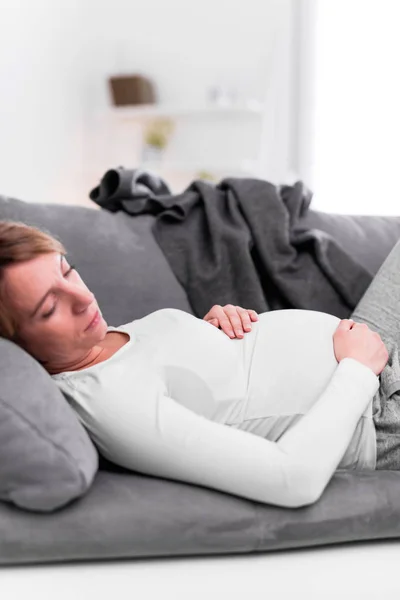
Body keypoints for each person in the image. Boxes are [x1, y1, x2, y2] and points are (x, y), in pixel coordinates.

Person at [0, 219, 396, 510]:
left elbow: (211, 384)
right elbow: (293, 479)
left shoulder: (94, 339)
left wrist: (210, 333)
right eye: (50, 307)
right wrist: (358, 370)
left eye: (67, 270)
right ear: (15, 342)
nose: (82, 298)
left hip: (365, 347)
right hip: (377, 413)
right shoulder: (111, 403)